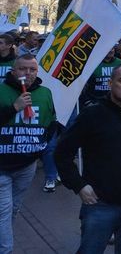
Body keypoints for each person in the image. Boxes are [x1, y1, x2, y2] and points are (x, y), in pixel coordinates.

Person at [55, 64, 121, 254]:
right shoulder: (92, 114)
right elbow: (62, 152)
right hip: (99, 202)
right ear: (110, 83)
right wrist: (78, 185)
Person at [0, 54, 57, 253]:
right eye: (23, 69)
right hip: (2, 165)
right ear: (14, 71)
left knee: (13, 209)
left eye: (32, 69)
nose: (28, 73)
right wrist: (14, 107)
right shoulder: (1, 90)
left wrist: (41, 146)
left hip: (27, 165)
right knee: (4, 211)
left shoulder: (45, 93)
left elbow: (50, 122)